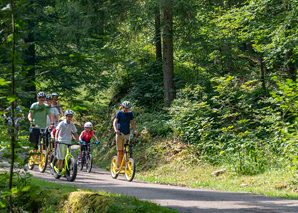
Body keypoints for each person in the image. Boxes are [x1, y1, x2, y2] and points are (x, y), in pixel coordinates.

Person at [113, 101, 138, 168]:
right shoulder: (119, 113)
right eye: (126, 108)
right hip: (119, 134)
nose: (127, 109)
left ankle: (124, 165)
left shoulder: (130, 113)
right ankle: (119, 165)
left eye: (128, 108)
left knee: (125, 150)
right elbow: (114, 122)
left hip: (127, 134)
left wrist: (135, 131)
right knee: (119, 150)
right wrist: (116, 130)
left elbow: (132, 123)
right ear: (123, 107)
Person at [55, 110, 79, 175]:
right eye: (68, 116)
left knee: (67, 157)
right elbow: (57, 131)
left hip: (68, 142)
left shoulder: (72, 124)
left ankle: (66, 171)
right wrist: (56, 139)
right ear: (66, 116)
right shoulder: (62, 123)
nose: (70, 118)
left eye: (71, 117)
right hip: (61, 141)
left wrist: (78, 141)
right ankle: (59, 169)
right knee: (61, 157)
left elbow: (75, 133)